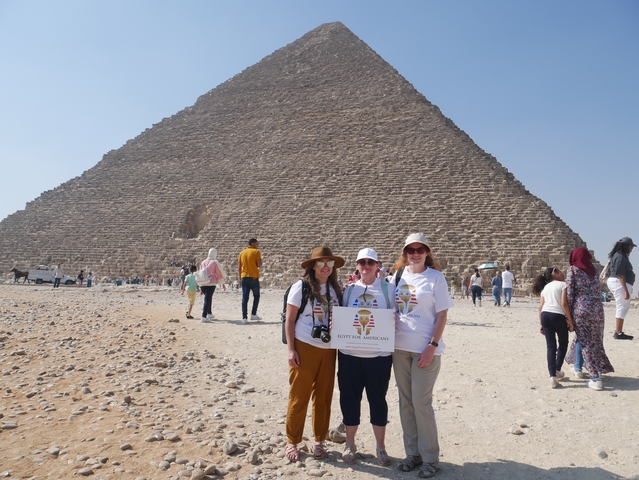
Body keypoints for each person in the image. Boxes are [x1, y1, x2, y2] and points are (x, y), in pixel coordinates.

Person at [392, 233, 454, 478]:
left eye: (420, 249)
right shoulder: (396, 276)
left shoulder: (436, 278)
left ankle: (429, 458)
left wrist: (432, 344)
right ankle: (412, 454)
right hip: (399, 348)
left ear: (427, 252)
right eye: (411, 249)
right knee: (405, 402)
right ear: (405, 252)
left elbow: (442, 315)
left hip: (425, 349)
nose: (415, 254)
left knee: (421, 402)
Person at [284, 246, 344, 462]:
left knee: (324, 396)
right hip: (305, 346)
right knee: (299, 396)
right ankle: (292, 441)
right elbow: (289, 319)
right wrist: (291, 349)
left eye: (330, 263)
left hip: (329, 350)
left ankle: (319, 441)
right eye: (321, 263)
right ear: (312, 265)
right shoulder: (301, 287)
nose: (326, 267)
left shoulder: (336, 289)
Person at [338, 248, 396, 466]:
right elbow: (341, 315)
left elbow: (398, 314)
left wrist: (395, 319)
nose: (366, 266)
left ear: (377, 265)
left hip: (378, 356)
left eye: (370, 262)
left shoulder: (389, 289)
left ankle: (380, 447)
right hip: (350, 355)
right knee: (349, 398)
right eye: (362, 262)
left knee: (377, 400)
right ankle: (350, 443)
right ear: (357, 265)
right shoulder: (349, 290)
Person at [565, 247, 614, 391]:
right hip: (597, 308)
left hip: (581, 308)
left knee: (586, 342)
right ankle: (578, 368)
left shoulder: (573, 270)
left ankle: (595, 378)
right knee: (591, 339)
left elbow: (569, 294)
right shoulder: (595, 271)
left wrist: (568, 316)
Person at [531, 267, 574, 388]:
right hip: (558, 315)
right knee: (563, 343)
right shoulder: (563, 285)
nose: (563, 273)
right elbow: (564, 304)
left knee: (551, 347)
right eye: (559, 271)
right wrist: (570, 320)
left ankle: (553, 377)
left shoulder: (545, 287)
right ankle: (557, 368)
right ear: (554, 273)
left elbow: (540, 307)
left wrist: (541, 324)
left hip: (545, 316)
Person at [606, 237, 635, 340]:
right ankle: (618, 333)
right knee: (622, 306)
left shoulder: (618, 256)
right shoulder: (621, 257)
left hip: (618, 282)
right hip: (619, 283)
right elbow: (620, 274)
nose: (632, 249)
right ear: (626, 246)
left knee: (622, 306)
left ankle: (618, 331)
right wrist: (626, 291)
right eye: (631, 246)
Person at [238, 238, 263, 324]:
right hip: (253, 278)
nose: (258, 245)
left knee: (245, 298)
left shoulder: (242, 253)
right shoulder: (256, 252)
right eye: (256, 243)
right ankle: (253, 314)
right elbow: (259, 265)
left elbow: (239, 267)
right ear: (252, 244)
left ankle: (244, 317)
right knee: (256, 296)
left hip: (244, 277)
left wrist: (240, 278)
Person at [199, 248, 225, 323]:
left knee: (208, 298)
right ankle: (204, 316)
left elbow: (200, 273)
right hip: (211, 283)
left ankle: (209, 313)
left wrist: (200, 286)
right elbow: (219, 274)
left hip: (203, 283)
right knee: (207, 299)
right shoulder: (215, 262)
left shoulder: (203, 262)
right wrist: (222, 284)